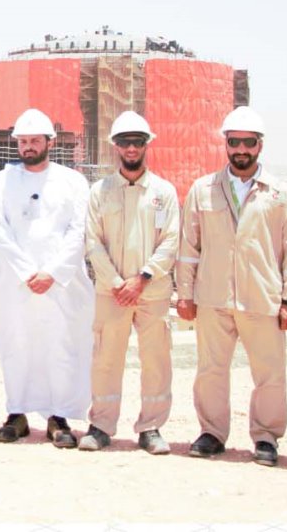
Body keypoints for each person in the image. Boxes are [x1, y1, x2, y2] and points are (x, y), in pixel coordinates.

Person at [175, 106, 287, 467]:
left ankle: (266, 437)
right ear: (226, 144)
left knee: (269, 374)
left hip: (261, 297)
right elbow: (189, 246)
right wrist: (184, 293)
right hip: (213, 296)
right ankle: (212, 433)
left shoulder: (281, 194)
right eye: (234, 142)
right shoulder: (204, 190)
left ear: (260, 145)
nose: (241, 150)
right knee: (210, 370)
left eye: (248, 143)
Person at [0, 108, 95, 448]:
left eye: (35, 140)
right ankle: (16, 414)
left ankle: (58, 417)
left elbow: (79, 230)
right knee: (15, 344)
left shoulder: (73, 181)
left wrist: (53, 272)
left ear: (51, 142)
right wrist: (26, 271)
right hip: (14, 284)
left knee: (59, 346)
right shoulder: (1, 181)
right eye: (23, 141)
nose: (28, 146)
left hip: (60, 285)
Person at [80, 111, 179, 455]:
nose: (131, 148)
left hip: (152, 291)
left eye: (137, 141)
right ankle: (101, 425)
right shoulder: (100, 192)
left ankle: (151, 427)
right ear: (116, 146)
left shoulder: (164, 192)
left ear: (146, 144)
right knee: (106, 358)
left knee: (156, 359)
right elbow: (92, 241)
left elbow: (171, 241)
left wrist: (143, 278)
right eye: (125, 142)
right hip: (112, 292)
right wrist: (116, 282)